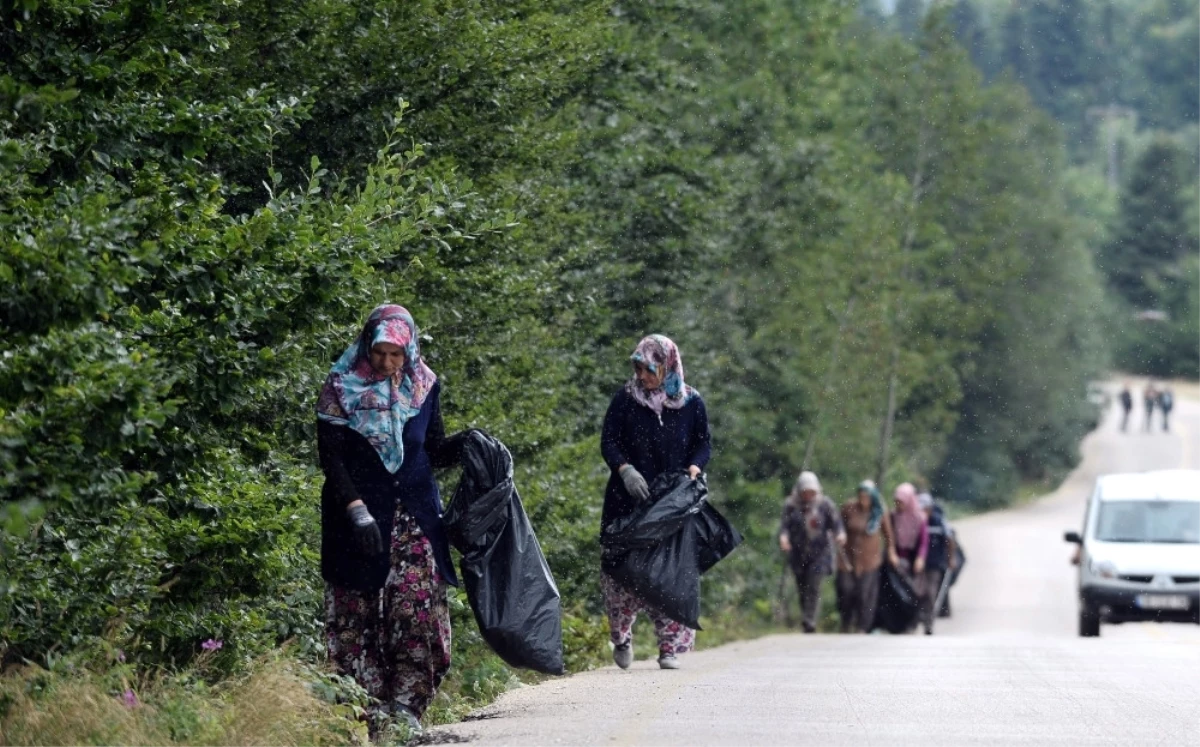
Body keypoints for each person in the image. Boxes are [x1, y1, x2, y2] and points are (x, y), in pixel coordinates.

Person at [316, 304, 468, 739]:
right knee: (357, 618)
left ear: (409, 351)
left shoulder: (423, 385)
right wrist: (355, 509)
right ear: (367, 345)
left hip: (415, 517)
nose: (386, 363)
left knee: (416, 613)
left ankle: (406, 712)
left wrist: (469, 444)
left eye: (395, 354)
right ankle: (370, 716)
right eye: (380, 352)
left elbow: (433, 449)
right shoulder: (340, 387)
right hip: (357, 519)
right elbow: (332, 458)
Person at [600, 334, 711, 670]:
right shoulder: (626, 399)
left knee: (672, 574)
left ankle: (670, 647)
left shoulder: (691, 402)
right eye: (638, 368)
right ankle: (621, 635)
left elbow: (702, 443)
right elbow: (609, 440)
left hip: (672, 503)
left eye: (649, 369)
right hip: (629, 498)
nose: (642, 376)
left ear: (667, 366)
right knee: (621, 572)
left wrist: (695, 467)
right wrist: (625, 468)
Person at [779, 471, 847, 634]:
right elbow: (784, 527)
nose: (808, 495)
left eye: (812, 491)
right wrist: (784, 539)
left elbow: (836, 524)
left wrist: (840, 534)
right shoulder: (791, 505)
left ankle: (810, 621)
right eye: (805, 491)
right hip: (798, 553)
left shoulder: (825, 504)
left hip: (820, 553)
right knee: (802, 586)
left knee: (814, 585)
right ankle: (806, 617)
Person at [836, 480, 893, 634]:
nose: (863, 499)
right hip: (848, 558)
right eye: (861, 496)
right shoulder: (849, 507)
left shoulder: (880, 511)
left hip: (870, 560)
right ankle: (846, 623)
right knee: (845, 590)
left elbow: (888, 536)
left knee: (865, 594)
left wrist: (891, 553)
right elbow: (838, 524)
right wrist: (839, 535)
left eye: (867, 496)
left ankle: (863, 626)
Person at [888, 482, 929, 633]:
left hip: (913, 561)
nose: (898, 505)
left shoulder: (920, 518)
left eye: (901, 502)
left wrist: (920, 558)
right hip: (897, 560)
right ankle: (898, 624)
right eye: (896, 502)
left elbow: (924, 541)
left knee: (914, 593)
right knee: (896, 593)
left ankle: (913, 622)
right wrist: (892, 554)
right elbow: (890, 538)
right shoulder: (893, 516)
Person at [918, 492, 957, 635]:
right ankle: (918, 617)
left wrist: (951, 559)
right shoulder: (917, 521)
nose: (922, 512)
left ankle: (928, 622)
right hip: (918, 564)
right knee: (918, 591)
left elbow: (950, 540)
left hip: (935, 564)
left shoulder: (939, 521)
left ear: (930, 508)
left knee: (930, 592)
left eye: (924, 508)